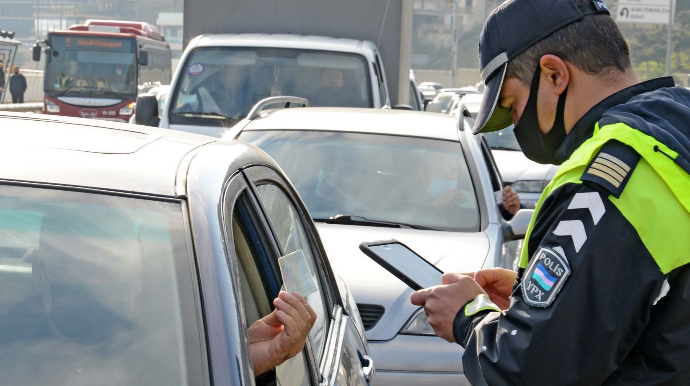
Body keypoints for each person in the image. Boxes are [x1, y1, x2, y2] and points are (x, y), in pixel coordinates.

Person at [411, 0, 690, 384]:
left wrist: (467, 317)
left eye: (511, 104)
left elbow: (530, 370)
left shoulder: (612, 177)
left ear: (555, 75)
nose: (513, 122)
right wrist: (540, 299)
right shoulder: (675, 136)